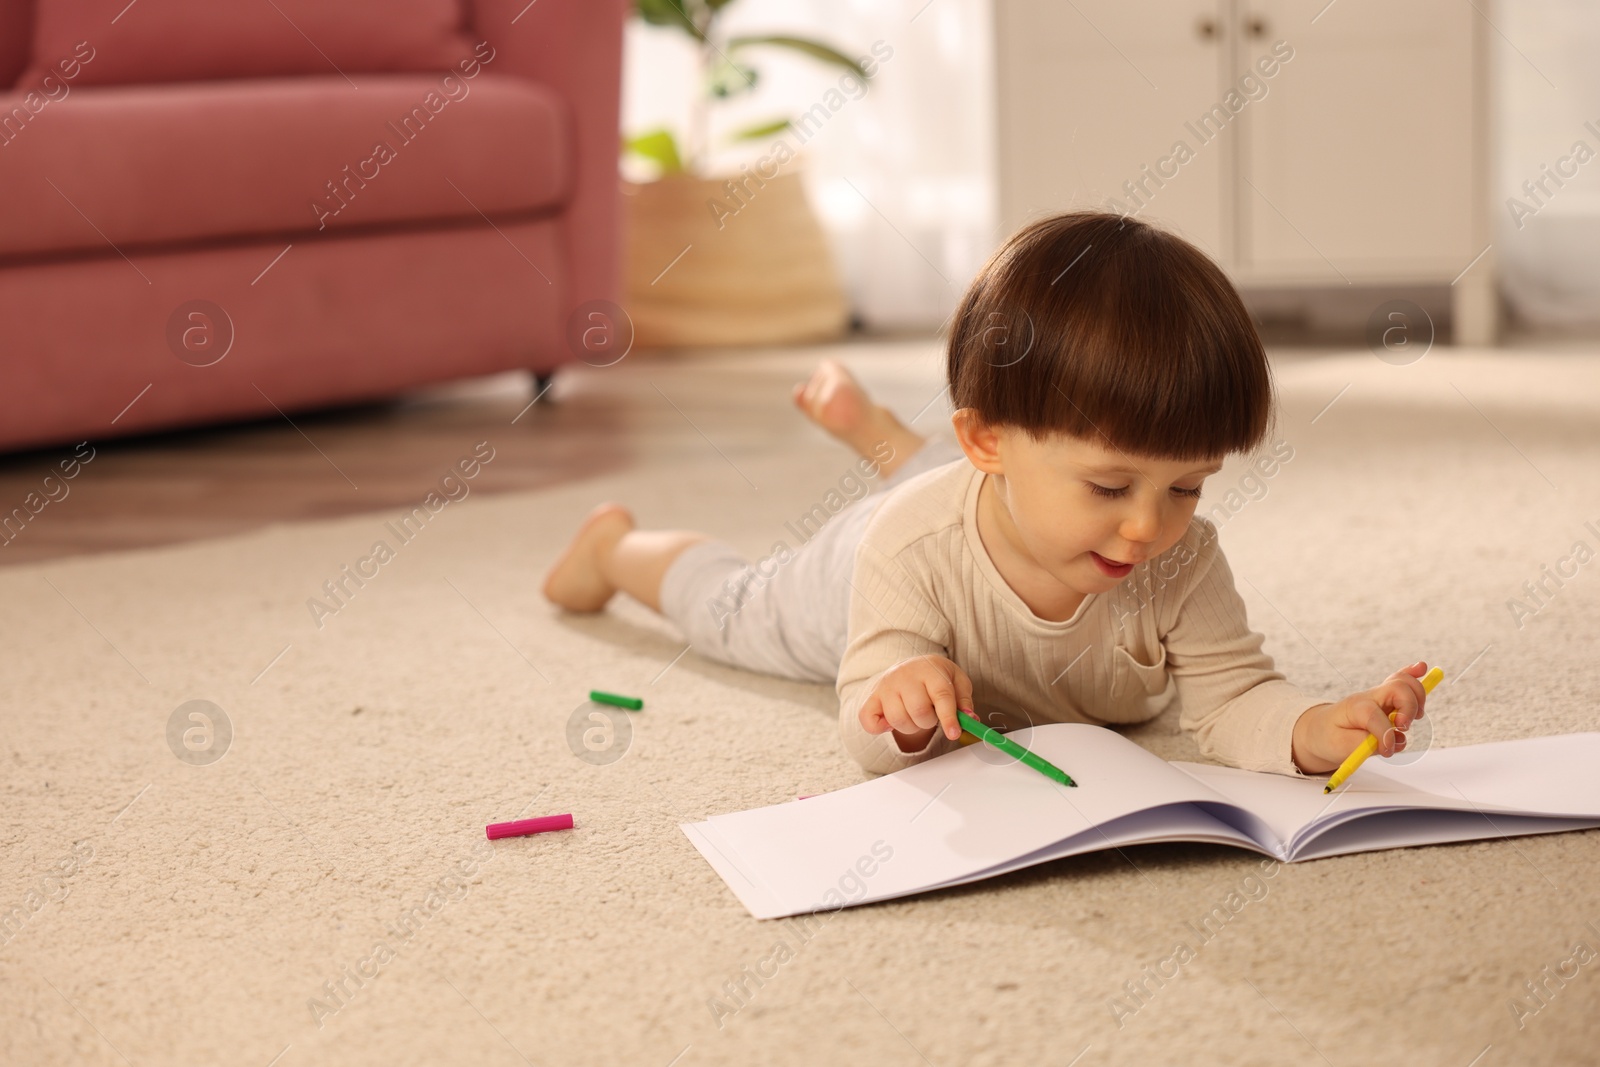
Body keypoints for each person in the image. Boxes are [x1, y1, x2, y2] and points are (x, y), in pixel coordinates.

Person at [543, 211, 1430, 779]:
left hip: (975, 485)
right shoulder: (907, 547)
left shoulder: (1178, 556)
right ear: (989, 441)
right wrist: (898, 702)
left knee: (990, 480)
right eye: (1112, 484)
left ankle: (883, 432)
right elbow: (862, 725)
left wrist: (1320, 725)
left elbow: (1235, 700)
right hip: (869, 565)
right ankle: (613, 546)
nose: (1148, 523)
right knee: (730, 610)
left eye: (1189, 485)